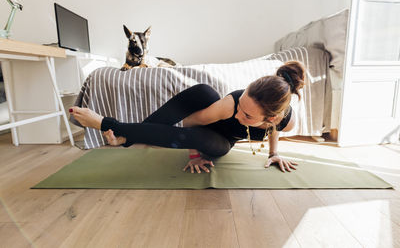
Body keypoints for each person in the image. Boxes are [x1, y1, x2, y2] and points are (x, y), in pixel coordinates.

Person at [69, 60, 305, 174]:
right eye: (241, 104)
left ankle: (120, 132)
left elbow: (274, 130)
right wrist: (193, 155)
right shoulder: (230, 105)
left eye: (247, 115)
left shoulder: (285, 121)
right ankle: (118, 131)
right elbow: (190, 123)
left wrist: (274, 154)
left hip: (218, 143)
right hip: (202, 128)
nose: (239, 114)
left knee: (208, 141)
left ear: (272, 117)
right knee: (204, 91)